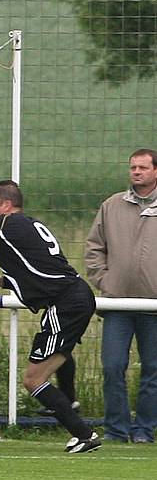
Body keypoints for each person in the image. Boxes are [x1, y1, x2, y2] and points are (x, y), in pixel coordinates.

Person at [0, 180, 100, 453]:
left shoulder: (4, 223)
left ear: (6, 205)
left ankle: (84, 433)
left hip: (66, 303)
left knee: (33, 379)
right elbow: (40, 271)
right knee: (60, 354)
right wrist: (0, 280)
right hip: (74, 297)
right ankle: (70, 401)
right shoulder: (27, 225)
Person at [85, 148, 157, 444]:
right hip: (117, 304)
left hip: (154, 307)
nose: (136, 172)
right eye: (132, 168)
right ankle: (116, 429)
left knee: (153, 372)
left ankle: (144, 430)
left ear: (155, 171)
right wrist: (105, 281)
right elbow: (93, 248)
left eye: (142, 167)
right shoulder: (112, 205)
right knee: (113, 367)